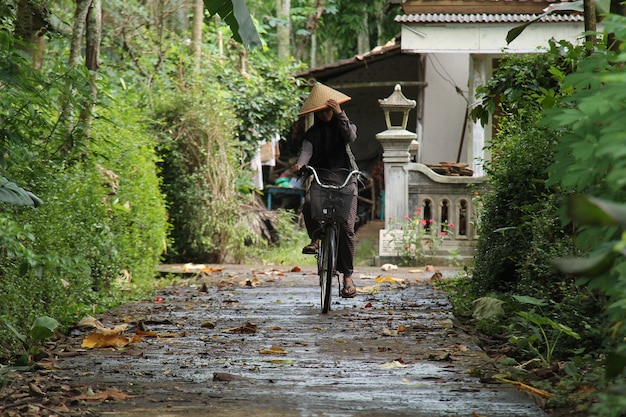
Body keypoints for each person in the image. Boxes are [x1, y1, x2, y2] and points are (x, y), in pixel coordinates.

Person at [293, 83, 359, 299]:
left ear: (334, 109)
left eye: (328, 110)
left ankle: (347, 278)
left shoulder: (345, 126)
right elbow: (306, 153)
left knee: (347, 228)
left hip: (346, 179)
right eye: (320, 111)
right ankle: (315, 238)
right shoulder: (312, 133)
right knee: (310, 204)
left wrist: (340, 113)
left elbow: (350, 137)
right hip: (321, 178)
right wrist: (300, 165)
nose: (324, 114)